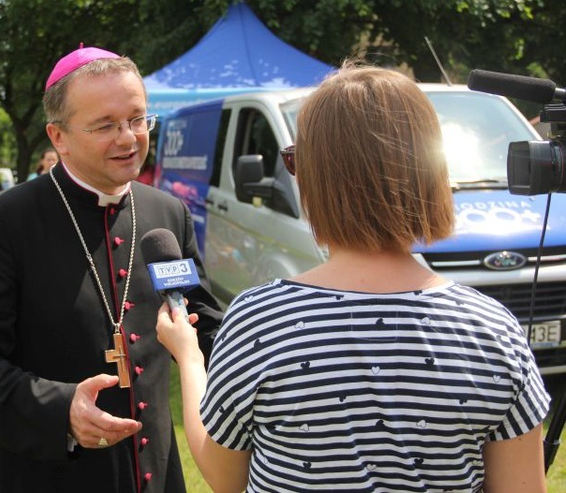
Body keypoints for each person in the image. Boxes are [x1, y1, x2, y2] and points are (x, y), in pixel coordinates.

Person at [156, 62, 551, 493]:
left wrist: (190, 357)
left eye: (294, 160)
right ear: (430, 172)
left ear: (316, 178)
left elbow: (224, 476)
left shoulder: (259, 320)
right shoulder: (493, 328)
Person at [0, 45, 223, 492]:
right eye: (105, 125)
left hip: (156, 475)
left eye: (138, 118)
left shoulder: (167, 214)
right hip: (44, 476)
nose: (128, 138)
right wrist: (59, 408)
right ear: (58, 136)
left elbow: (204, 325)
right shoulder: (4, 223)